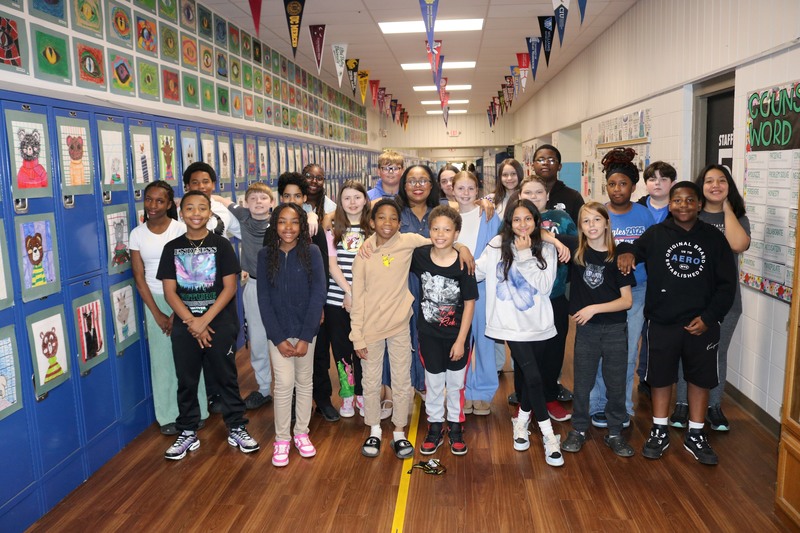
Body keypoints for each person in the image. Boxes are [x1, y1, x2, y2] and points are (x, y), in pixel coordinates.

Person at [617, 181, 736, 465]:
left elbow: (727, 285)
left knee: (700, 378)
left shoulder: (713, 238)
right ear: (670, 205)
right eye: (678, 201)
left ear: (698, 204)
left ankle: (696, 433)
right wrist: (626, 251)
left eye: (689, 200)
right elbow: (630, 247)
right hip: (662, 321)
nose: (683, 205)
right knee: (660, 377)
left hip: (702, 322)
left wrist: (709, 318)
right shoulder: (657, 234)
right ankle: (659, 428)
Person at [350, 199, 473, 460]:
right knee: (370, 381)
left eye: (393, 218)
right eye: (381, 218)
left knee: (402, 381)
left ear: (400, 222)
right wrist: (356, 335)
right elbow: (357, 297)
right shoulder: (364, 253)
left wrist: (463, 248)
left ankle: (398, 431)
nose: (387, 223)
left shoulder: (408, 242)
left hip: (399, 325)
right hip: (369, 328)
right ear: (372, 222)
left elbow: (440, 240)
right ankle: (373, 429)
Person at [157, 190, 258, 460]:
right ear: (181, 213)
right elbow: (170, 292)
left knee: (226, 377)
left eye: (202, 208)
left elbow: (229, 288)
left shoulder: (221, 246)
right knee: (187, 380)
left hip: (218, 323)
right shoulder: (173, 248)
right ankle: (187, 431)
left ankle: (236, 426)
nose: (196, 214)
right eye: (189, 208)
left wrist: (204, 320)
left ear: (210, 213)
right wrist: (192, 322)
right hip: (186, 327)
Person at [475, 199, 564, 467]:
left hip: (538, 324)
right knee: (534, 377)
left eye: (528, 219)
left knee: (528, 378)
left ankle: (521, 421)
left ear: (536, 221)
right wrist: (456, 251)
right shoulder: (496, 245)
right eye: (516, 219)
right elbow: (477, 271)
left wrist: (525, 256)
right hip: (510, 324)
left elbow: (545, 287)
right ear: (509, 222)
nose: (522, 224)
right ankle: (549, 436)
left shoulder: (546, 248)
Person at [669, 164, 750, 431]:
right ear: (700, 187)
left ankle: (714, 406)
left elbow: (738, 244)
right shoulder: (689, 216)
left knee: (717, 354)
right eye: (709, 181)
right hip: (690, 299)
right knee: (687, 352)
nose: (715, 185)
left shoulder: (737, 217)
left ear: (729, 186)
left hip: (726, 302)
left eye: (722, 181)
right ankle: (682, 404)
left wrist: (726, 208)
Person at [130, 181, 208, 435]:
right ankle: (168, 416)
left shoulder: (179, 230)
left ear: (170, 204)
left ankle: (198, 411)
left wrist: (177, 311)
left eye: (159, 201)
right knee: (162, 361)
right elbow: (139, 277)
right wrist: (157, 313)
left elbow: (190, 271)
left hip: (183, 299)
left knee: (189, 358)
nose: (153, 206)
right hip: (154, 300)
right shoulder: (137, 234)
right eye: (149, 199)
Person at [561, 202, 635, 457]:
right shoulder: (577, 251)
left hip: (615, 330)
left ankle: (615, 432)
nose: (591, 226)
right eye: (585, 221)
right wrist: (558, 243)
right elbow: (543, 233)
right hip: (588, 332)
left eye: (596, 220)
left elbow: (627, 301)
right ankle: (579, 429)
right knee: (582, 384)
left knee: (616, 384)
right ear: (580, 226)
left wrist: (594, 308)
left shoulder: (619, 258)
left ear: (606, 223)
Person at [257, 203, 326, 467]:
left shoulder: (312, 252)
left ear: (302, 226)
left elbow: (319, 293)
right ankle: (282, 438)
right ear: (275, 225)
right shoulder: (265, 256)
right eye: (282, 222)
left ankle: (302, 434)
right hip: (279, 333)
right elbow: (264, 299)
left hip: (306, 331)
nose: (288, 228)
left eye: (294, 222)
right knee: (284, 384)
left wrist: (307, 336)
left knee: (304, 381)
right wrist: (278, 337)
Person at [589, 147, 654, 430]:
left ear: (633, 186)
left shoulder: (644, 215)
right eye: (612, 184)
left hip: (636, 293)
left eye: (623, 184)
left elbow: (651, 251)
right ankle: (598, 404)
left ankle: (622, 405)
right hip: (605, 294)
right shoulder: (599, 214)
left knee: (627, 353)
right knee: (601, 350)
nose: (617, 189)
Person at [267, 172, 339, 422]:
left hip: (313, 303)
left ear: (304, 198)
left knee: (317, 355)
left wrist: (319, 306)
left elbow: (322, 271)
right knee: (288, 366)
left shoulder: (313, 225)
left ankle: (322, 400)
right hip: (285, 308)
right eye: (287, 195)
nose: (292, 199)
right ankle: (296, 405)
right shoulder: (274, 230)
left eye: (297, 195)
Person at [412, 205, 478, 456]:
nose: (440, 234)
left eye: (447, 230)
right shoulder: (419, 256)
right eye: (435, 228)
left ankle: (456, 426)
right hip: (429, 335)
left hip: (456, 337)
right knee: (434, 382)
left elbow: (470, 303)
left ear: (456, 233)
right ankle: (435, 426)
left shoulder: (464, 263)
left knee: (455, 383)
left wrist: (461, 340)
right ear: (429, 231)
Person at [182, 161, 242, 415]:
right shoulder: (180, 212)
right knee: (196, 342)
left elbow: (245, 233)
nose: (201, 186)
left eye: (205, 182)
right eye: (194, 182)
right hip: (191, 288)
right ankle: (204, 395)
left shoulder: (222, 211)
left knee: (221, 342)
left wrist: (246, 265)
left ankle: (222, 393)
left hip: (222, 287)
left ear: (214, 185)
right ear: (186, 186)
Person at [517, 176, 577, 422]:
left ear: (548, 195)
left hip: (555, 295)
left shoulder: (561, 219)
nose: (534, 196)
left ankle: (550, 396)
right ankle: (524, 402)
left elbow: (575, 243)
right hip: (524, 299)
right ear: (520, 195)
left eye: (539, 192)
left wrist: (555, 238)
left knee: (553, 350)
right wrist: (549, 238)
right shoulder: (517, 218)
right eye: (528, 192)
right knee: (524, 353)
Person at [211, 183, 275, 410]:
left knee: (286, 338)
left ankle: (293, 388)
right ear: (246, 204)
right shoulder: (244, 217)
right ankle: (264, 388)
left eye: (263, 198)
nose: (258, 202)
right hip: (255, 286)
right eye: (253, 199)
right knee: (257, 339)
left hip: (281, 288)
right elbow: (223, 201)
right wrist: (204, 195)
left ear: (272, 203)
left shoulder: (280, 222)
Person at [452, 171, 502, 416]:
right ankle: (460, 390)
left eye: (470, 188)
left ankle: (482, 391)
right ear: (451, 190)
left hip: (481, 285)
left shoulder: (488, 214)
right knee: (458, 340)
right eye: (460, 188)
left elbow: (497, 247)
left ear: (478, 190)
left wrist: (476, 273)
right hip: (453, 287)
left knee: (483, 340)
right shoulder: (448, 216)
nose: (465, 193)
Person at [323, 180, 371, 418]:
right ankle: (347, 394)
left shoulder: (373, 228)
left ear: (365, 199)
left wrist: (358, 295)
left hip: (367, 300)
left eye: (357, 197)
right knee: (342, 350)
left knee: (363, 349)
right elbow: (332, 266)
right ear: (339, 202)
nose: (352, 203)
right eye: (347, 198)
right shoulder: (332, 228)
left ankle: (362, 394)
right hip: (336, 300)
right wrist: (349, 292)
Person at [635, 161, 677, 398]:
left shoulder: (679, 210)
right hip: (640, 278)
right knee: (639, 330)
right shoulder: (638, 209)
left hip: (669, 281)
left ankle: (655, 376)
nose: (658, 183)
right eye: (652, 179)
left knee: (658, 334)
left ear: (672, 183)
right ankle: (643, 376)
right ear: (646, 183)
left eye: (663, 179)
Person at [532, 144, 584, 224]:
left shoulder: (573, 197)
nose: (545, 163)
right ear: (533, 166)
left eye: (551, 160)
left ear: (559, 166)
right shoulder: (522, 195)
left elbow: (581, 232)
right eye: (541, 160)